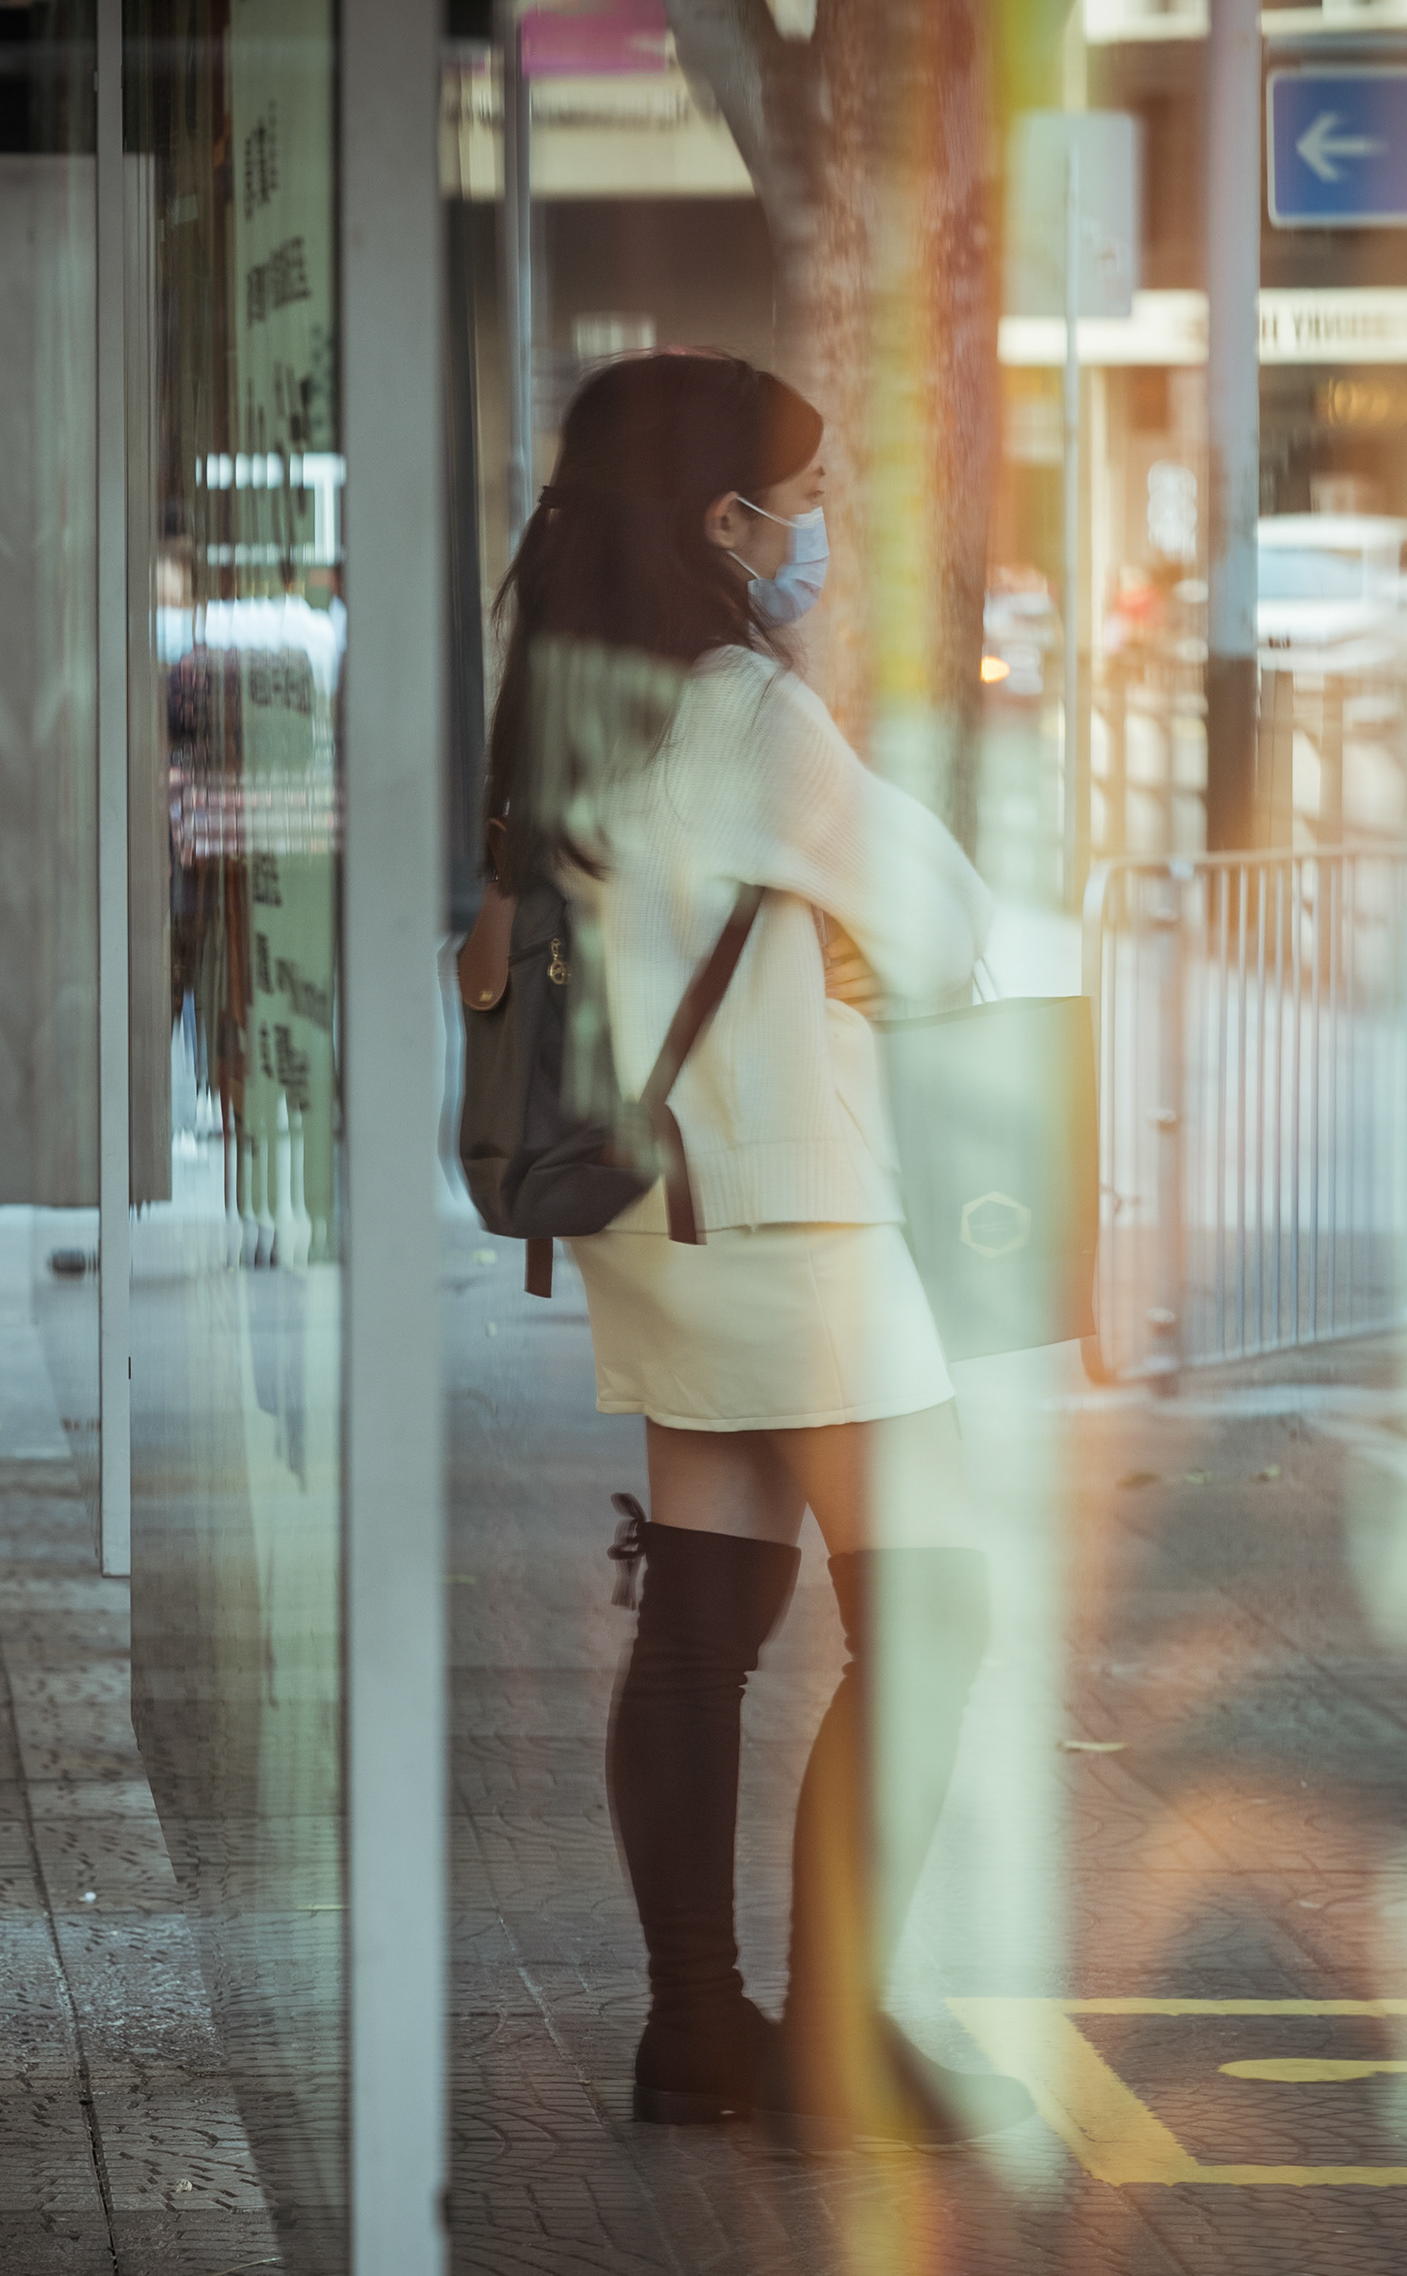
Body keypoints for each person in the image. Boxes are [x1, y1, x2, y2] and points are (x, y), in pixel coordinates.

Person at [489, 348, 1028, 2150]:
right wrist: (851, 935)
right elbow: (946, 926)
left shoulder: (562, 702)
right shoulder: (742, 713)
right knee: (932, 1611)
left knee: (708, 1613)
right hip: (793, 1220)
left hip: (650, 1215)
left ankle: (698, 2031)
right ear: (723, 519)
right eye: (803, 502)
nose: (817, 533)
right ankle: (833, 2040)